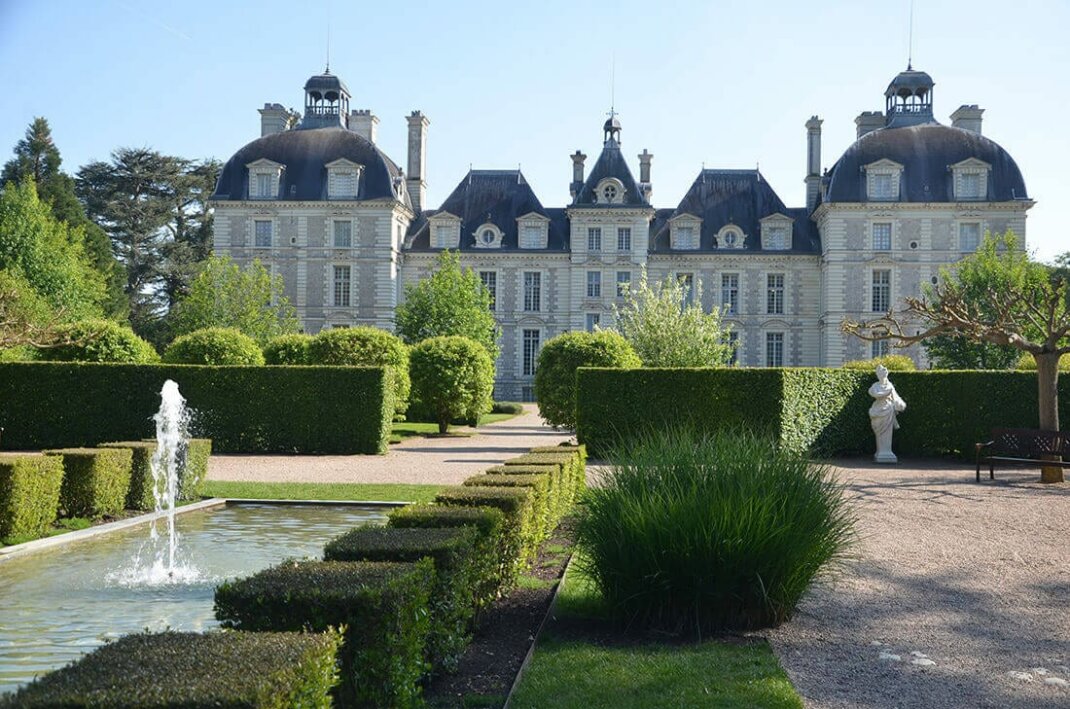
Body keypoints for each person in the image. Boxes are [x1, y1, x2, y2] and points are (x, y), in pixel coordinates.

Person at [869, 364, 906, 463]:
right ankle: (880, 451)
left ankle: (886, 452)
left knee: (887, 434)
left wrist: (900, 404)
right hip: (877, 410)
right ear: (878, 375)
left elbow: (895, 397)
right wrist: (885, 393)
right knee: (879, 432)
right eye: (880, 374)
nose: (882, 376)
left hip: (888, 411)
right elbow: (873, 393)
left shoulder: (890, 386)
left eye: (883, 374)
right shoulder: (875, 386)